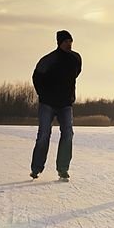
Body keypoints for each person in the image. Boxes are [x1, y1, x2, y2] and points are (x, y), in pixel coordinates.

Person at [30, 30, 82, 180]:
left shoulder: (76, 59)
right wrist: (43, 94)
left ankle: (63, 168)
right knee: (44, 135)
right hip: (47, 103)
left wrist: (69, 94)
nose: (69, 44)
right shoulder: (49, 59)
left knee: (68, 134)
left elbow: (76, 73)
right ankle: (36, 168)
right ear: (59, 42)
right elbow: (36, 77)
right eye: (66, 41)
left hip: (65, 103)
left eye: (70, 41)